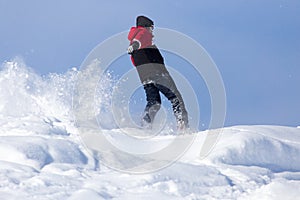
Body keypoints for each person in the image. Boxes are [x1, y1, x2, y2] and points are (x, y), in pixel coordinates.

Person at [127, 15, 189, 130]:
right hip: (157, 73)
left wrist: (135, 46)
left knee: (154, 102)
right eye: (151, 28)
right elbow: (140, 38)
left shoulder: (137, 43)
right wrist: (135, 44)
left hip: (145, 78)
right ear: (146, 27)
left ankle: (145, 125)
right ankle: (183, 125)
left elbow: (136, 58)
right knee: (175, 97)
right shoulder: (143, 33)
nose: (152, 32)